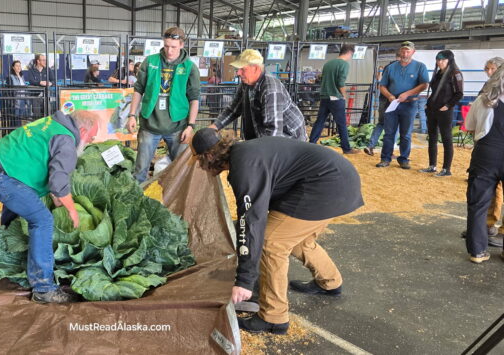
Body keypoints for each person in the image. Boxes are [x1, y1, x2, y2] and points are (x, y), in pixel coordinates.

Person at [190, 128, 363, 334]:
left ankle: (274, 317)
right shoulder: (245, 153)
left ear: (209, 156)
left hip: (326, 187)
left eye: (199, 161)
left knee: (270, 242)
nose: (200, 167)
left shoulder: (244, 166)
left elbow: (252, 221)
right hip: (339, 180)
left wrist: (244, 281)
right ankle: (330, 281)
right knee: (298, 239)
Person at [0, 110, 99, 303]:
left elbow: (52, 180)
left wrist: (60, 199)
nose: (92, 141)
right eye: (92, 137)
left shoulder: (53, 123)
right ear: (83, 131)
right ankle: (43, 289)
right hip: (0, 174)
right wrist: (72, 210)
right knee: (42, 220)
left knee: (20, 203)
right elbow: (58, 184)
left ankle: (8, 251)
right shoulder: (66, 140)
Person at [126, 27, 200, 183]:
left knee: (181, 171)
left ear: (181, 45)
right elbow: (138, 89)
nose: (169, 50)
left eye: (173, 47)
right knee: (140, 171)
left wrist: (190, 125)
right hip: (150, 125)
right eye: (166, 46)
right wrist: (132, 115)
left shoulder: (190, 67)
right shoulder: (150, 61)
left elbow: (194, 98)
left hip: (177, 127)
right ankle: (137, 200)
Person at [209, 49, 306, 141]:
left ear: (255, 68)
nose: (238, 73)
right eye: (238, 69)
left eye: (242, 69)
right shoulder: (246, 84)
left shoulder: (270, 89)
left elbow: (273, 132)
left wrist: (256, 151)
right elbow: (233, 110)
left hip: (290, 139)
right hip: (269, 136)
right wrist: (214, 127)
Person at [463, 64, 504, 263]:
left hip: (486, 154)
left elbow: (469, 127)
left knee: (478, 203)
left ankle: (477, 251)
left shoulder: (483, 100)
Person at [376, 41, 429, 169]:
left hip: (409, 104)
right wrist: (389, 96)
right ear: (400, 51)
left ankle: (404, 158)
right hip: (392, 104)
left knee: (406, 133)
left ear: (413, 52)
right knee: (389, 132)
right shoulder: (391, 67)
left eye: (408, 51)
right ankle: (385, 158)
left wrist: (407, 93)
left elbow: (424, 84)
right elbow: (382, 85)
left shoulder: (420, 66)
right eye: (403, 51)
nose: (405, 53)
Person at [418, 50, 463, 177]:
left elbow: (459, 94)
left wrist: (448, 106)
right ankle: (432, 165)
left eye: (443, 60)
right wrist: (429, 103)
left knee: (446, 139)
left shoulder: (455, 73)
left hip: (445, 111)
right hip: (432, 110)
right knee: (432, 137)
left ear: (449, 60)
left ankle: (446, 169)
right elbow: (435, 91)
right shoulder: (438, 73)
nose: (440, 62)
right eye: (438, 59)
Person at [308, 44, 359, 154]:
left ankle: (311, 143)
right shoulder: (344, 64)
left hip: (325, 96)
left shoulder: (328, 64)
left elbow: (322, 78)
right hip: (336, 97)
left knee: (320, 121)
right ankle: (346, 148)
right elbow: (340, 82)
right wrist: (343, 95)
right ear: (350, 53)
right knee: (341, 124)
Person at [5, 60, 29, 124]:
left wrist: (26, 101)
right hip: (15, 101)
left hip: (23, 100)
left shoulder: (22, 77)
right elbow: (9, 91)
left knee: (19, 118)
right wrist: (12, 101)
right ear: (13, 67)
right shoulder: (10, 77)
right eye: (17, 66)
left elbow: (25, 89)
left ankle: (18, 132)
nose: (19, 67)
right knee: (14, 119)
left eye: (20, 66)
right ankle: (13, 132)